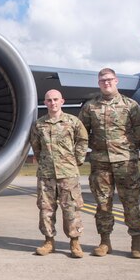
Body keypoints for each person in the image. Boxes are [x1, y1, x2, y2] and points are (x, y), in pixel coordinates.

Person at [78, 68, 140, 258]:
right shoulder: (90, 107)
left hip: (126, 162)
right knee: (103, 204)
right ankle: (105, 242)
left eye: (109, 79)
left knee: (131, 203)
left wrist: (130, 150)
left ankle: (136, 243)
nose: (106, 83)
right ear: (98, 83)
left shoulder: (130, 105)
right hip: (100, 163)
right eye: (102, 80)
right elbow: (82, 132)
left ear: (116, 81)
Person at [30, 89, 88, 258]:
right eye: (49, 100)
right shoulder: (39, 124)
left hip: (68, 173)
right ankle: (49, 241)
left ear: (62, 101)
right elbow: (36, 146)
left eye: (55, 99)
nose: (52, 103)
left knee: (71, 208)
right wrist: (44, 161)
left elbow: (83, 140)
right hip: (46, 174)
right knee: (46, 209)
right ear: (44, 103)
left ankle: (75, 242)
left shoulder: (73, 122)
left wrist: (77, 160)